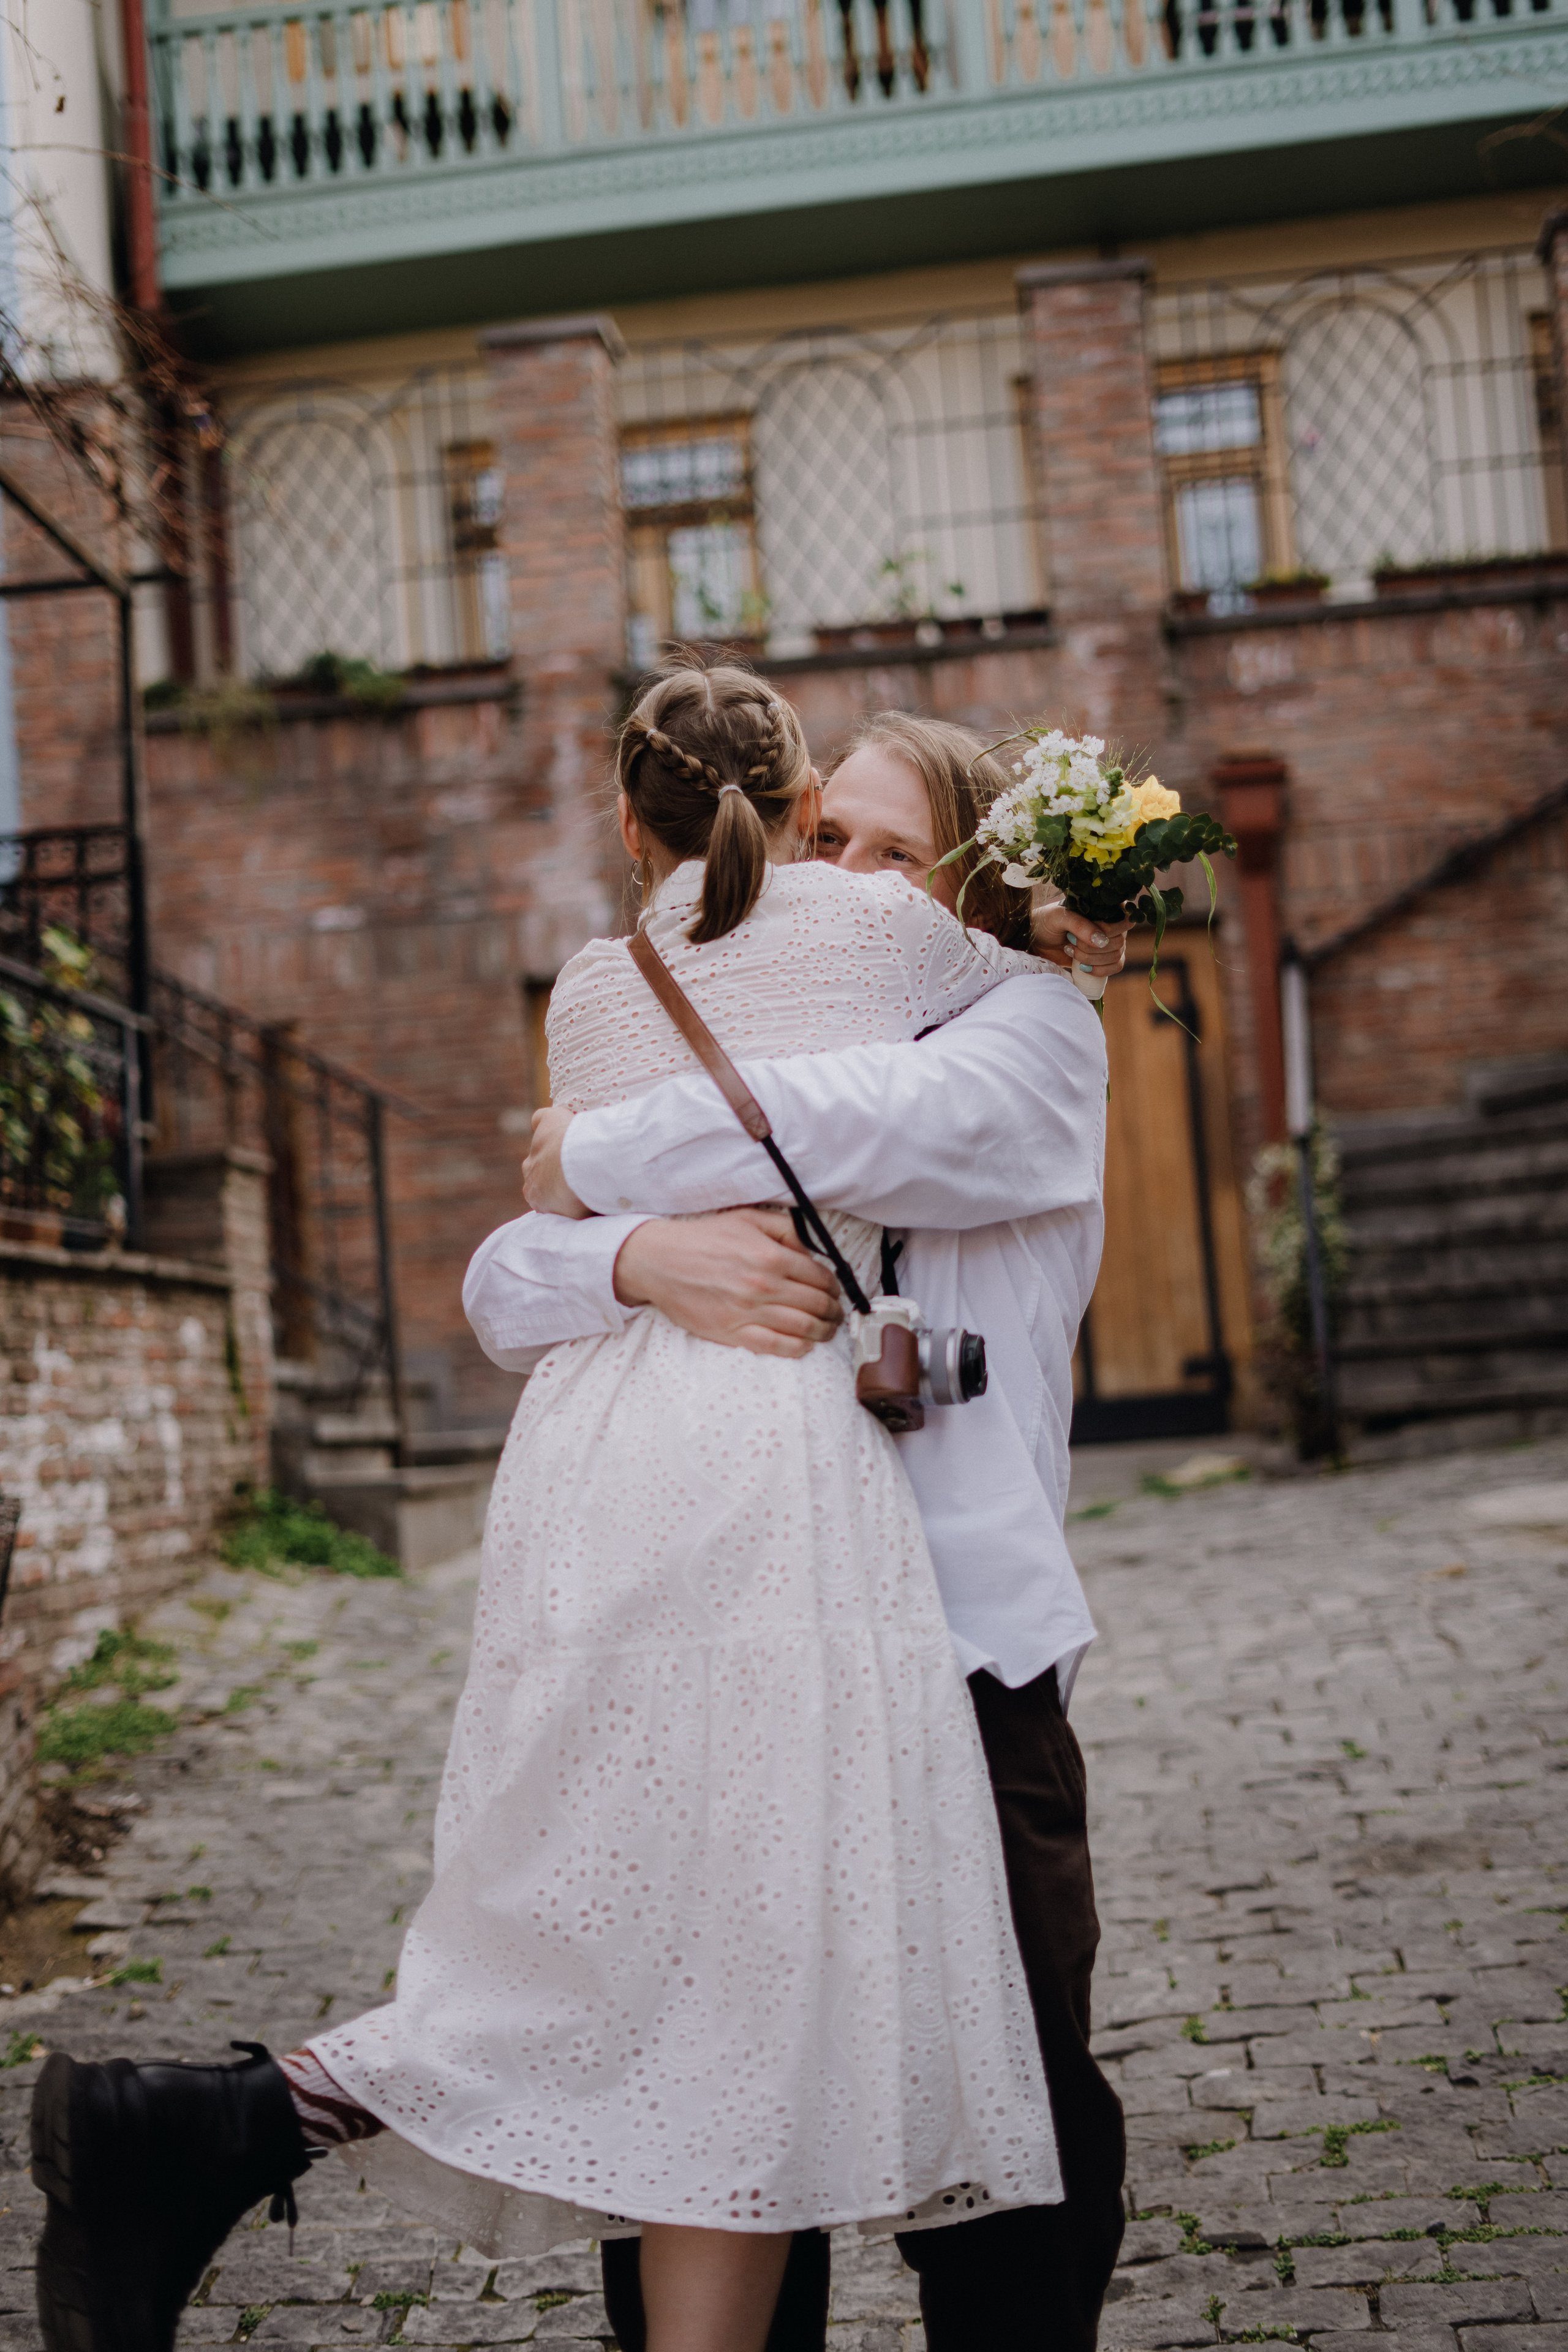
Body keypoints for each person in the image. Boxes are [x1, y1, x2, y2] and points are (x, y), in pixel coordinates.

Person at [31, 676, 1069, 2352]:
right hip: (768, 1451)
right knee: (745, 1942)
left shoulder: (590, 987)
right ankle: (236, 2114)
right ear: (801, 807)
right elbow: (1037, 955)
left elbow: (555, 1207)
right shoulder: (896, 946)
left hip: (592, 1453)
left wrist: (593, 1166)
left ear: (620, 819)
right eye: (841, 835)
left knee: (640, 1920)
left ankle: (239, 2122)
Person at [467, 710, 1131, 2352]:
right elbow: (496, 1288)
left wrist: (586, 1156)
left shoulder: (1032, 1039)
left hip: (965, 1660)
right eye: (824, 845)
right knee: (711, 2123)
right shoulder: (757, 1058)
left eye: (886, 858)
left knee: (1020, 2143)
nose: (829, 888)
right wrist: (636, 1262)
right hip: (746, 1649)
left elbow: (867, 1128)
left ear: (967, 889)